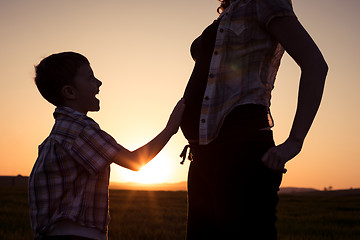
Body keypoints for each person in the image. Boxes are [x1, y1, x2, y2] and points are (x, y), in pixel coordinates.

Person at [180, 0, 328, 239]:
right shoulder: (229, 11)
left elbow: (315, 65)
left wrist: (295, 141)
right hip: (202, 156)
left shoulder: (265, 2)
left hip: (241, 154)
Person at [28, 52, 185, 240]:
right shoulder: (80, 130)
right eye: (90, 77)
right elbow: (135, 161)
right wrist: (170, 129)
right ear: (70, 92)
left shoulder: (58, 134)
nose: (99, 83)